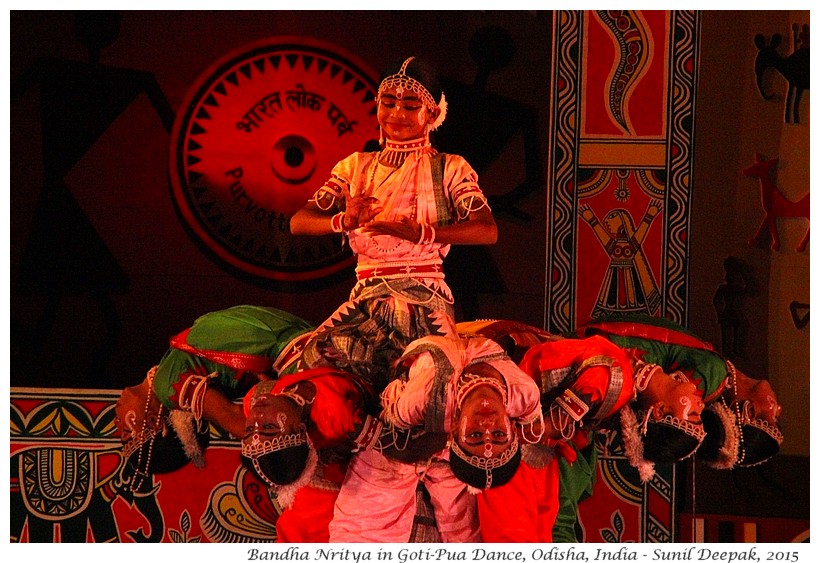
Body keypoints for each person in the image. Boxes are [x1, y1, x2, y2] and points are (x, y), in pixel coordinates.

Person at [290, 56, 497, 393]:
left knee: (431, 381)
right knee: (312, 362)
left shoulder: (449, 168)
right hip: (365, 299)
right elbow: (299, 222)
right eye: (388, 103)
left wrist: (423, 233)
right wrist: (343, 220)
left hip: (424, 298)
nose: (397, 114)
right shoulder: (354, 167)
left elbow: (487, 230)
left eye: (410, 105)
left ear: (431, 113)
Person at [326, 334, 542, 543]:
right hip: (412, 438)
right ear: (512, 426)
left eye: (475, 435)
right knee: (365, 526)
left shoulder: (426, 403)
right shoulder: (525, 393)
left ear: (456, 430)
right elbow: (534, 430)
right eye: (498, 434)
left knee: (464, 529)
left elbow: (389, 430)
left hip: (434, 442)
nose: (487, 428)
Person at [115, 305, 314, 486]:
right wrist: (283, 461)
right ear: (153, 422)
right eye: (124, 431)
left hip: (296, 348)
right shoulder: (167, 388)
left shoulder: (167, 379)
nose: (116, 423)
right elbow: (235, 420)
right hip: (297, 357)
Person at [240, 367, 380, 542]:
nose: (257, 416)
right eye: (268, 426)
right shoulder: (334, 417)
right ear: (301, 429)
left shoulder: (253, 400)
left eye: (248, 429)